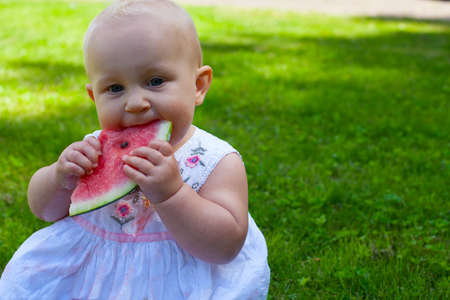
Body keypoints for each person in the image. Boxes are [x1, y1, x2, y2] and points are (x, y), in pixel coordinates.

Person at [0, 0, 270, 298]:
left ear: (198, 85)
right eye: (114, 88)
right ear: (94, 96)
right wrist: (59, 177)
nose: (135, 103)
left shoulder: (217, 160)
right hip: (92, 279)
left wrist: (172, 194)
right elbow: (44, 210)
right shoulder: (96, 149)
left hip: (175, 283)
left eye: (155, 81)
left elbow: (224, 246)